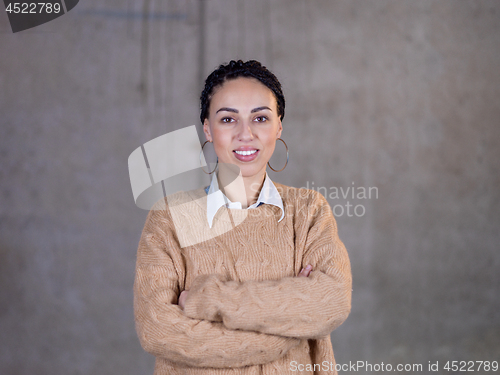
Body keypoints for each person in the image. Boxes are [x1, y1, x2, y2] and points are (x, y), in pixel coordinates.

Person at [134, 60, 352, 375]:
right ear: (207, 129)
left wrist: (209, 297)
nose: (245, 134)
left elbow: (331, 301)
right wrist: (286, 332)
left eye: (260, 118)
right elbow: (158, 329)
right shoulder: (169, 218)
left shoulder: (309, 211)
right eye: (228, 119)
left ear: (279, 126)